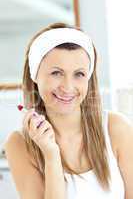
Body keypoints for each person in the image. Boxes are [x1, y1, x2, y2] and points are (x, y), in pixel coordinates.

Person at [4, 22, 133, 199]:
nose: (68, 87)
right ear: (35, 76)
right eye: (56, 73)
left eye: (79, 74)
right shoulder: (19, 144)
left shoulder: (117, 128)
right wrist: (51, 155)